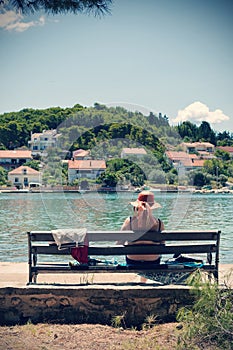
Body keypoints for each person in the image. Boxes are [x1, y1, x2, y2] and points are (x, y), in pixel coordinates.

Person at [120, 190, 165, 282]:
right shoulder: (159, 223)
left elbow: (118, 243)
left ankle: (141, 281)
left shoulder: (129, 221)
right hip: (153, 262)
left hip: (132, 261)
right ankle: (143, 281)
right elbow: (163, 245)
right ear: (152, 207)